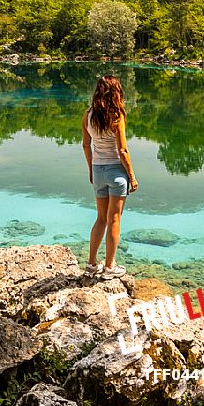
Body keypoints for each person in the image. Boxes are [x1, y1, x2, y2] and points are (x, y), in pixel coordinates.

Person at [82, 75, 138, 279]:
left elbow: (86, 145)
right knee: (114, 219)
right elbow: (122, 150)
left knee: (100, 219)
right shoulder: (117, 115)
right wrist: (132, 176)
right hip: (116, 172)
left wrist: (91, 169)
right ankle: (109, 267)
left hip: (98, 170)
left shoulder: (88, 115)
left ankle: (91, 264)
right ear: (116, 92)